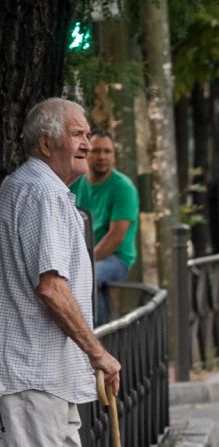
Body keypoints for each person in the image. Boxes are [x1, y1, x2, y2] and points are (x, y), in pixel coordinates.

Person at [0, 98, 122, 447]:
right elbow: (51, 287)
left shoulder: (49, 193)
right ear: (46, 141)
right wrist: (98, 352)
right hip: (32, 365)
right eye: (76, 133)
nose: (86, 143)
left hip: (54, 370)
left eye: (88, 133)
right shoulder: (41, 193)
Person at [70, 129, 140, 323]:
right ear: (86, 153)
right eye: (96, 150)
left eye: (107, 151)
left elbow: (116, 237)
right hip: (81, 254)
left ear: (114, 156)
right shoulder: (75, 183)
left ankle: (98, 333)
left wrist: (84, 262)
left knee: (90, 276)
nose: (102, 156)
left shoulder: (123, 187)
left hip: (115, 258)